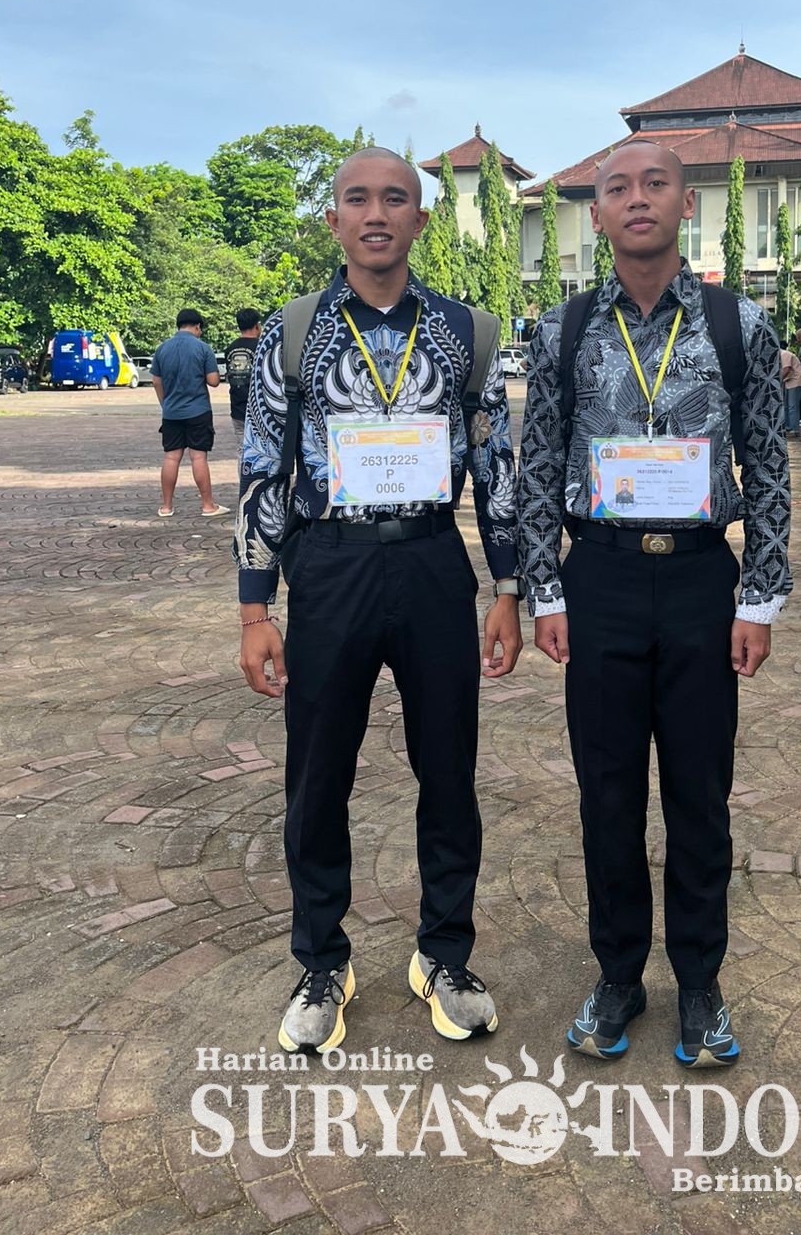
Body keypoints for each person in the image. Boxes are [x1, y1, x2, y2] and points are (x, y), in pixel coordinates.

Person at [235, 147, 522, 1056]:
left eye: (395, 198)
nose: (376, 214)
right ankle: (322, 961)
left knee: (450, 771)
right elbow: (262, 467)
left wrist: (507, 586)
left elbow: (497, 465)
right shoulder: (294, 332)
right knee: (318, 774)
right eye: (356, 199)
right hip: (331, 567)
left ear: (419, 220)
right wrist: (255, 607)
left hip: (433, 562)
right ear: (333, 220)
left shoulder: (467, 332)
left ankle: (444, 955)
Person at [516, 139, 791, 1068]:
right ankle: (619, 975)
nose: (637, 199)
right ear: (596, 214)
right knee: (607, 794)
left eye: (656, 184)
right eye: (617, 188)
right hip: (599, 578)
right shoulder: (562, 330)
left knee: (699, 794)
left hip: (702, 583)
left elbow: (770, 465)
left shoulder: (738, 324)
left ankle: (700, 982)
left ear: (686, 204)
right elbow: (537, 464)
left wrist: (759, 597)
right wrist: (545, 588)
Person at [150, 310, 228, 519]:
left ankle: (166, 507)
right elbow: (213, 381)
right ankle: (208, 506)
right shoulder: (202, 348)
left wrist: (165, 403)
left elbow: (156, 381)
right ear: (197, 326)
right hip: (198, 410)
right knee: (198, 457)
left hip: (171, 412)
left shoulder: (162, 349)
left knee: (171, 457)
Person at [225, 308, 262, 451]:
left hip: (237, 407)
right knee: (261, 449)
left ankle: (243, 467)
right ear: (257, 326)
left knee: (242, 448)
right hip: (259, 409)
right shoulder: (262, 347)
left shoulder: (230, 348)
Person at [779, 342, 801, 435]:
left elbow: (786, 369)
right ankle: (788, 426)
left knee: (792, 406)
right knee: (786, 405)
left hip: (796, 381)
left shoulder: (784, 354)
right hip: (789, 382)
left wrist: (778, 381)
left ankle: (794, 428)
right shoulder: (781, 355)